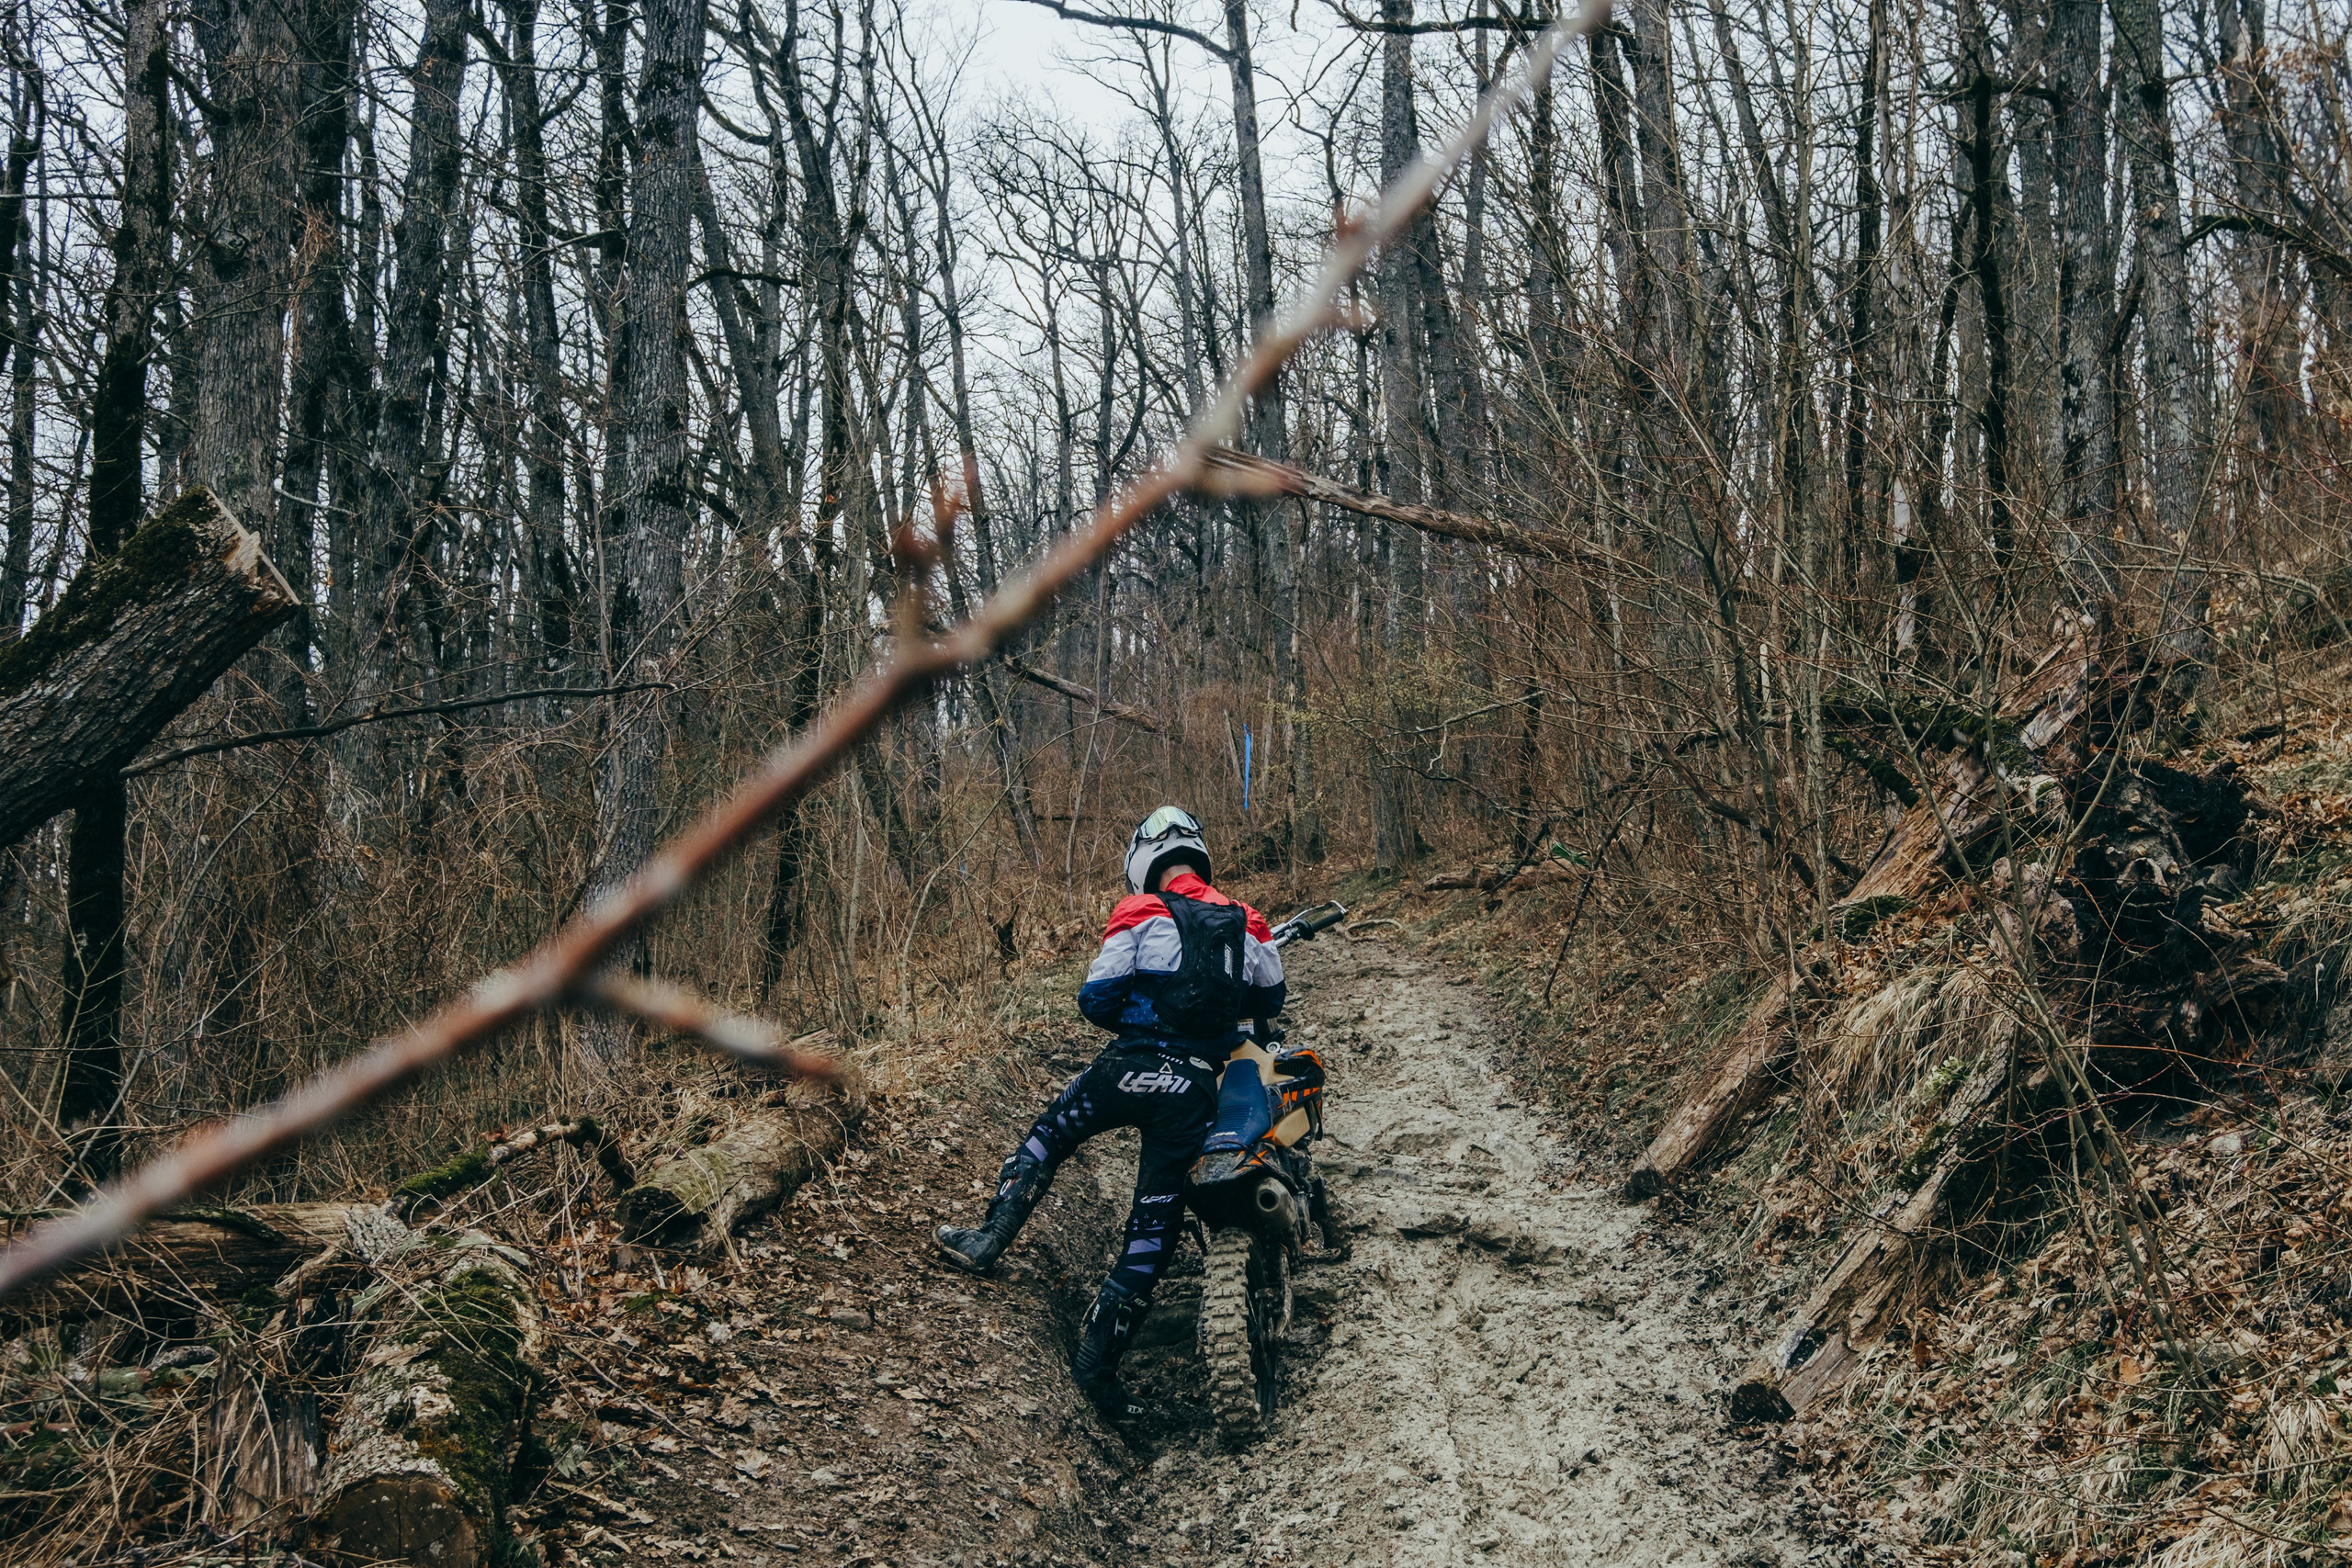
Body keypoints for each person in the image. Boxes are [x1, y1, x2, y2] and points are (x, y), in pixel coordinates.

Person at [934, 806, 1285, 1418]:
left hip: (1126, 1069)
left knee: (1051, 1134)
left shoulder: (1137, 909)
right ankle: (1095, 1370)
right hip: (1195, 1091)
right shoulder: (1245, 918)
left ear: (1145, 860)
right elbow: (1270, 995)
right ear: (1199, 854)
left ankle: (988, 1238)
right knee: (1153, 1229)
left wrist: (1145, 1019)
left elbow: (1097, 997)